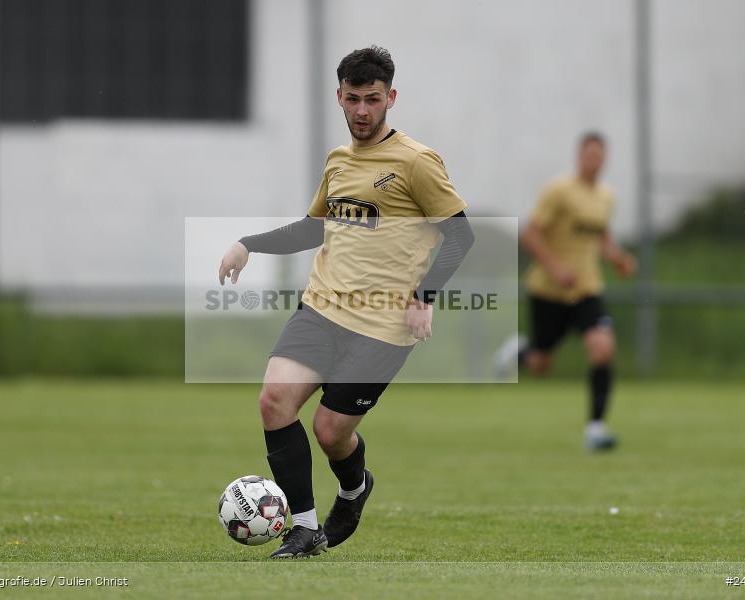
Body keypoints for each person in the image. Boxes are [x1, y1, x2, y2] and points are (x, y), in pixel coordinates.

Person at [218, 46, 474, 558]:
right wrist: (249, 243)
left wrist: (424, 296)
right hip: (322, 307)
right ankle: (305, 528)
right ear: (339, 97)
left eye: (373, 100)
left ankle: (354, 491)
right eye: (353, 99)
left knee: (331, 432)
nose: (362, 110)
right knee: (274, 401)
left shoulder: (416, 162)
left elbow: (461, 236)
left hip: (384, 324)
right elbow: (315, 228)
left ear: (391, 98)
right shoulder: (338, 161)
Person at [495, 132, 636, 451]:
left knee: (603, 349)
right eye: (589, 154)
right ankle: (519, 352)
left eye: (599, 155)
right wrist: (556, 269)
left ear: (605, 159)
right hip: (548, 290)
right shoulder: (559, 191)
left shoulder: (606, 197)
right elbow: (530, 235)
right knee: (541, 365)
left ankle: (596, 427)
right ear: (579, 156)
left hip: (586, 288)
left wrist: (619, 259)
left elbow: (601, 238)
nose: (594, 160)